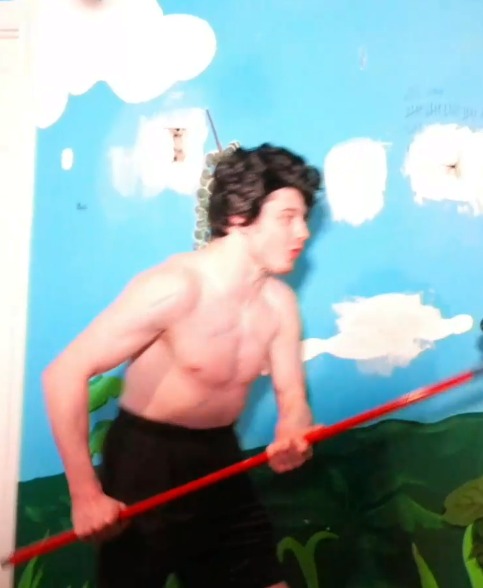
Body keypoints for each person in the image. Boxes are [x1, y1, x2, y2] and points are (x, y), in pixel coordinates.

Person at [42, 143, 324, 588]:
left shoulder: (280, 305)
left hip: (220, 457)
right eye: (287, 217)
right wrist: (85, 494)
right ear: (239, 216)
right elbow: (63, 373)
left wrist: (293, 430)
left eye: (304, 218)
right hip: (145, 462)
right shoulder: (175, 287)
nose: (303, 232)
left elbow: (293, 397)